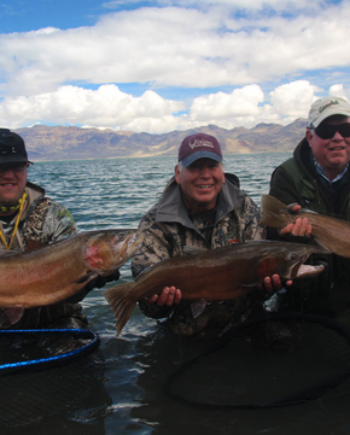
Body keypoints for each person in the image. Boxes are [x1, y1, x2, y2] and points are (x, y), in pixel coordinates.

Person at [131, 132, 286, 337]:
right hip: (185, 332)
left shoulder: (246, 209)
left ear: (222, 172)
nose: (205, 175)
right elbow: (149, 308)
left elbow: (257, 284)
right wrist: (159, 304)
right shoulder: (154, 223)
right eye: (195, 167)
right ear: (178, 173)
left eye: (212, 166)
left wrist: (268, 287)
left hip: (246, 323)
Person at [0, 128, 119, 329]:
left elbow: (70, 294)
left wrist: (88, 281)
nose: (10, 175)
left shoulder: (54, 216)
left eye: (18, 166)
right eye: (1, 166)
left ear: (27, 167)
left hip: (54, 321)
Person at [266, 96, 350, 317]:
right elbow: (270, 233)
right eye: (326, 131)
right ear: (310, 136)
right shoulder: (286, 175)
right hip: (304, 300)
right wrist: (284, 232)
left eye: (345, 129)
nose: (338, 137)